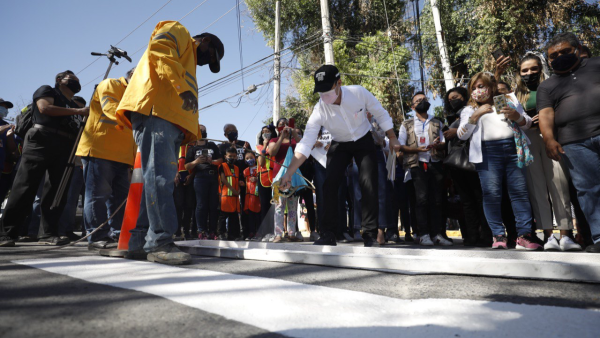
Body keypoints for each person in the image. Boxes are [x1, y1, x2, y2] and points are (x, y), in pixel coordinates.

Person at [114, 21, 224, 264]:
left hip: (167, 119)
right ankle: (160, 242)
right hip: (157, 113)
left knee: (153, 181)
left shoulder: (186, 62)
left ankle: (140, 241)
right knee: (160, 179)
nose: (206, 62)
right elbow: (159, 47)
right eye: (211, 56)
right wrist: (181, 86)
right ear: (204, 40)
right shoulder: (180, 30)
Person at [279, 65, 401, 247]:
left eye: (328, 90)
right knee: (329, 185)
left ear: (339, 84)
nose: (325, 96)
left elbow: (380, 113)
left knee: (368, 183)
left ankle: (369, 233)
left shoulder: (358, 93)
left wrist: (392, 137)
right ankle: (328, 233)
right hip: (339, 144)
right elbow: (305, 144)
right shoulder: (319, 109)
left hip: (363, 140)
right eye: (321, 92)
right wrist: (289, 173)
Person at [0, 70, 88, 247]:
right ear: (59, 80)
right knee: (25, 186)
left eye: (77, 80)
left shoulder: (72, 104)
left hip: (65, 146)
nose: (76, 82)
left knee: (57, 191)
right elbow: (44, 108)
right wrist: (79, 110)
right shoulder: (48, 91)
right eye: (72, 79)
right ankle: (8, 233)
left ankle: (48, 233)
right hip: (41, 140)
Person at [457, 71, 541, 250]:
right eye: (474, 88)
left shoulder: (504, 101)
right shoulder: (470, 109)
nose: (478, 91)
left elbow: (526, 122)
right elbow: (461, 135)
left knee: (519, 192)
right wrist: (475, 115)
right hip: (488, 154)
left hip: (513, 150)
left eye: (482, 86)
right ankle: (498, 235)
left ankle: (524, 235)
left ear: (491, 87)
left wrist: (516, 117)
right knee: (492, 195)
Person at [511, 52, 581, 251]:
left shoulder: (552, 86)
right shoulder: (516, 95)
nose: (529, 73)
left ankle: (566, 234)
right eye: (525, 70)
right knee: (537, 188)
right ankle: (549, 236)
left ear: (541, 69)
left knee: (559, 186)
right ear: (519, 73)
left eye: (534, 68)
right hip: (529, 141)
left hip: (552, 139)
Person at [537, 32, 600, 253]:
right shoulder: (547, 86)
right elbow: (545, 114)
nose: (559, 57)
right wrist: (549, 139)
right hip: (575, 142)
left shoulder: (596, 64)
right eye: (553, 55)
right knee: (588, 189)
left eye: (565, 51)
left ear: (577, 49)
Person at [77, 69, 136, 250]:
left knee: (119, 200)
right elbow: (111, 108)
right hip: (100, 150)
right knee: (97, 196)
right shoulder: (111, 84)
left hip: (124, 156)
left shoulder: (138, 94)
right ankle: (96, 236)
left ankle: (118, 235)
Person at [399, 92, 451, 246]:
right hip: (417, 164)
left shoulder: (437, 122)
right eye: (418, 100)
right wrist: (417, 149)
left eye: (424, 99)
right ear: (412, 106)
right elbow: (401, 145)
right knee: (421, 200)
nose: (422, 102)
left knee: (437, 200)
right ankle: (423, 233)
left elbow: (443, 142)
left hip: (434, 162)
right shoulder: (406, 124)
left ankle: (437, 234)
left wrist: (438, 144)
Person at [443, 87, 491, 247]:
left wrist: (455, 131)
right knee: (466, 201)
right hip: (457, 164)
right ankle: (471, 236)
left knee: (479, 199)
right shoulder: (450, 116)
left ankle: (486, 235)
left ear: (464, 97)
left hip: (474, 159)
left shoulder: (472, 109)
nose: (452, 101)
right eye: (449, 99)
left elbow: (471, 131)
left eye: (455, 97)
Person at [58, 95, 87, 241]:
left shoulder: (86, 122)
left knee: (80, 200)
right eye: (77, 107)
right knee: (69, 199)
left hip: (82, 164)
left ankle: (81, 230)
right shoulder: (67, 122)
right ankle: (64, 229)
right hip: (71, 164)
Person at [185, 124, 222, 239]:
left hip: (213, 176)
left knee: (213, 205)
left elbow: (221, 159)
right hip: (200, 177)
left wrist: (212, 161)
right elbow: (187, 166)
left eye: (204, 131)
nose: (202, 133)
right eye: (200, 131)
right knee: (201, 205)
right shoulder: (192, 148)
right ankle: (201, 231)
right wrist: (196, 161)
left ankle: (212, 231)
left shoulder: (212, 145)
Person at [269, 118, 303, 243]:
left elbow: (304, 147)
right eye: (281, 124)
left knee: (293, 206)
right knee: (279, 206)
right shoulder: (273, 140)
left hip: (293, 176)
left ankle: (291, 233)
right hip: (278, 177)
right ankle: (278, 234)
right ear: (277, 127)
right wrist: (281, 136)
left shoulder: (294, 141)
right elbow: (272, 152)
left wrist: (293, 133)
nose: (284, 126)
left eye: (286, 124)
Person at [219, 123, 252, 239]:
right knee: (230, 210)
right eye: (230, 131)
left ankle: (246, 231)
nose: (233, 132)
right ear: (225, 134)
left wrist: (245, 150)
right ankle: (225, 232)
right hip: (231, 181)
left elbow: (250, 157)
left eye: (235, 130)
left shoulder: (244, 144)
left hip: (244, 178)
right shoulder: (223, 146)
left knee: (245, 206)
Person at [255, 125, 276, 240]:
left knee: (275, 206)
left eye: (268, 131)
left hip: (275, 178)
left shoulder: (276, 145)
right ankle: (265, 233)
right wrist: (265, 145)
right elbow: (261, 163)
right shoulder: (259, 147)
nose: (266, 133)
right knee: (264, 206)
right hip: (263, 179)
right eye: (263, 132)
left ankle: (275, 232)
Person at [218, 148, 243, 240]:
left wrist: (239, 188)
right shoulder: (222, 166)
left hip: (234, 197)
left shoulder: (236, 168)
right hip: (225, 195)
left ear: (236, 157)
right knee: (223, 216)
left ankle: (232, 235)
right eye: (229, 156)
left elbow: (236, 180)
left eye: (234, 156)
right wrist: (233, 190)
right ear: (225, 157)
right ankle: (221, 233)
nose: (232, 158)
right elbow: (223, 179)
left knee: (234, 216)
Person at [174, 141, 197, 239]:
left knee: (189, 206)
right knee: (178, 205)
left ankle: (187, 231)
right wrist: (175, 173)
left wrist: (191, 176)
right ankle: (177, 231)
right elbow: (172, 159)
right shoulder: (176, 144)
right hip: (178, 178)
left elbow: (198, 164)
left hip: (190, 179)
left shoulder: (195, 146)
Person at [243, 150, 261, 239]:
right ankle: (251, 232)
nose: (249, 160)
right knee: (250, 215)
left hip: (257, 195)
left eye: (251, 157)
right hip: (248, 196)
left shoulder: (259, 168)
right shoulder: (245, 171)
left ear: (255, 158)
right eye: (247, 158)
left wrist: (257, 179)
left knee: (257, 214)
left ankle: (258, 232)